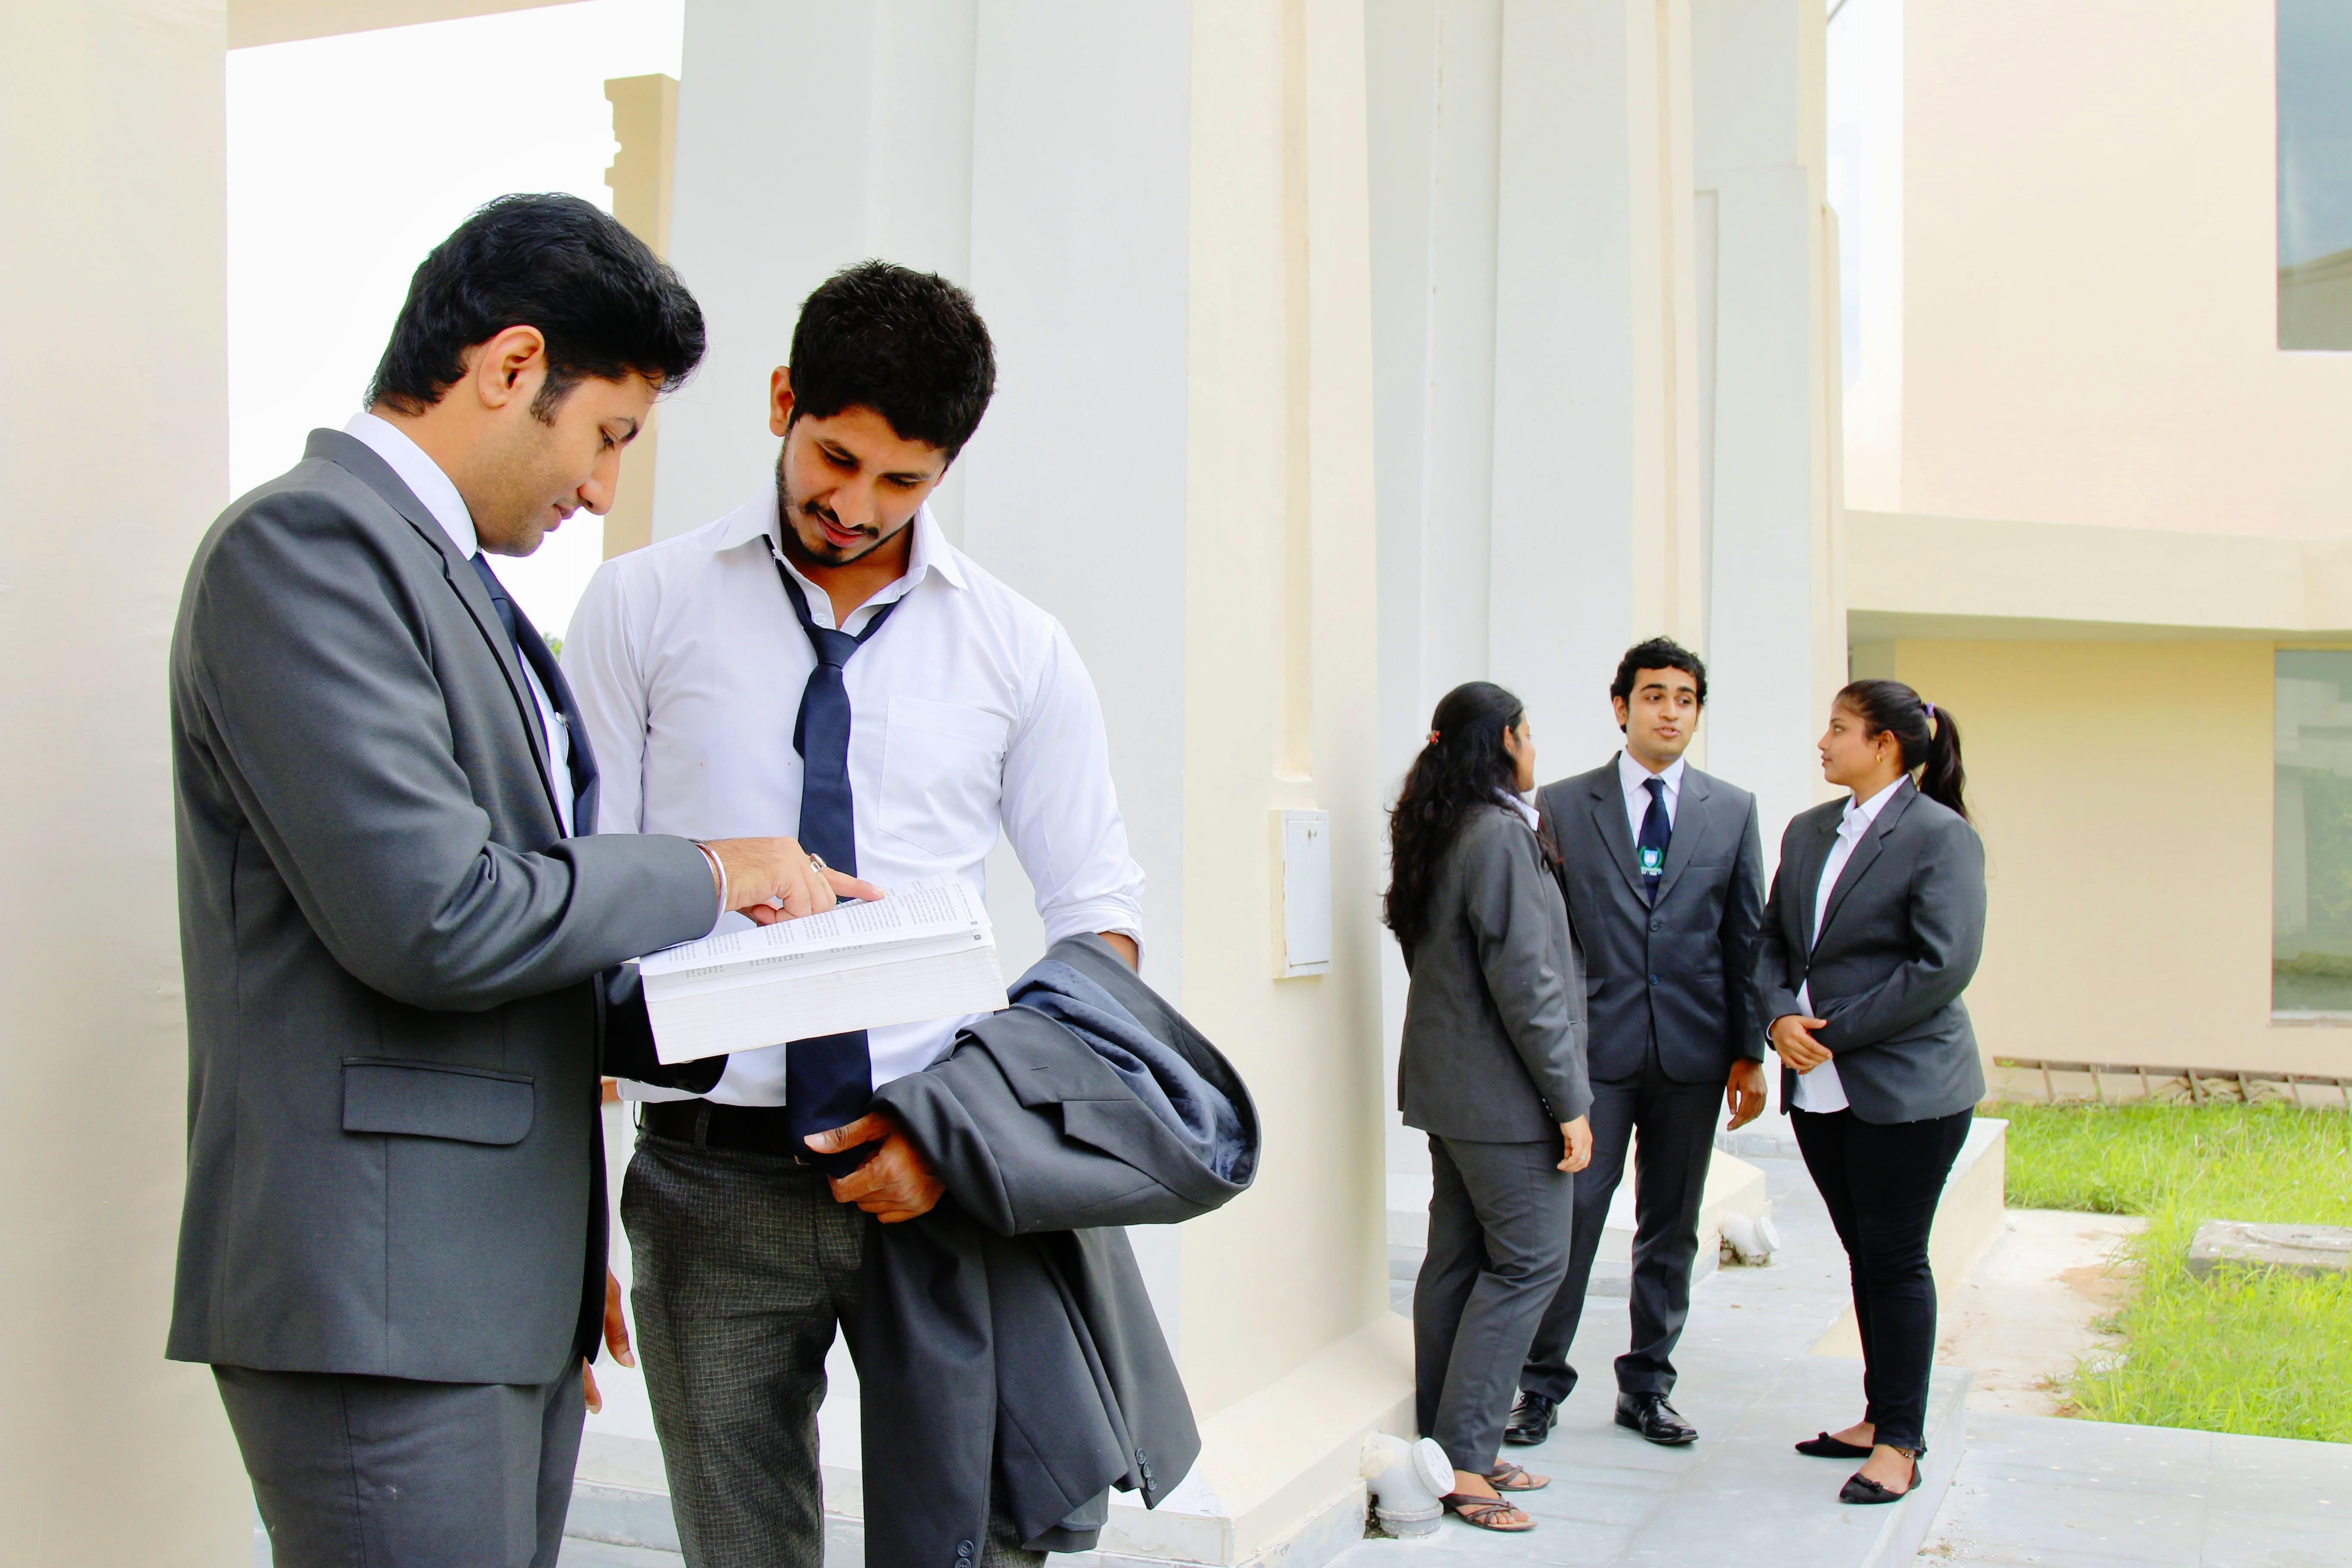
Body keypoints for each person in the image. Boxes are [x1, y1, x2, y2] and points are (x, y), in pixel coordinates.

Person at [167, 195, 865, 1568]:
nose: (605, 487)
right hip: (382, 1300)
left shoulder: (461, 585)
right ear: (507, 367)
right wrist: (716, 874)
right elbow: (435, 917)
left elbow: (520, 958)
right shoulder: (304, 549)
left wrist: (790, 982)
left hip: (479, 1285)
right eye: (608, 434)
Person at [561, 260, 1146, 1568]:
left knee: (981, 1544)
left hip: (932, 1168)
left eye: (905, 481)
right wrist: (571, 1224)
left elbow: (1099, 922)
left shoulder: (1017, 648)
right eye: (836, 459)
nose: (856, 506)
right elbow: (580, 914)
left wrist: (964, 1135)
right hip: (710, 1178)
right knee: (740, 1550)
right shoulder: (639, 609)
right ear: (782, 400)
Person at [1510, 637, 1767, 1450]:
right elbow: (1544, 936)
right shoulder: (1560, 803)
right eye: (1655, 696)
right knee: (1575, 1220)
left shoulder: (1732, 810)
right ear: (1622, 708)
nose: (1671, 712)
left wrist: (1750, 1053)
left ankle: (1648, 1388)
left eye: (1685, 699)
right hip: (1593, 1057)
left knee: (1671, 1226)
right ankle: (1539, 1387)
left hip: (1693, 1057)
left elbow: (1745, 937)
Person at [1756, 679, 1986, 1506]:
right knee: (1867, 1256)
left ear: (1885, 743)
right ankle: (1877, 1413)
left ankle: (1899, 1442)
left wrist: (1827, 1033)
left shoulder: (1938, 837)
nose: (1824, 742)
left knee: (1893, 1258)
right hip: (1822, 1089)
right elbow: (1773, 941)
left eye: (1839, 728)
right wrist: (1779, 1015)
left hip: (1909, 1088)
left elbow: (1942, 966)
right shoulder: (1810, 830)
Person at [1387, 681, 1594, 1535]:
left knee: (1458, 1263)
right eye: (1531, 732)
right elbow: (1530, 986)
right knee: (1529, 1266)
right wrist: (1570, 1103)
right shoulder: (1500, 836)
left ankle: (1450, 1439)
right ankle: (1468, 1466)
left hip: (1451, 1090)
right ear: (1506, 739)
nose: (1536, 747)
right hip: (1507, 1102)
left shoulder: (1440, 828)